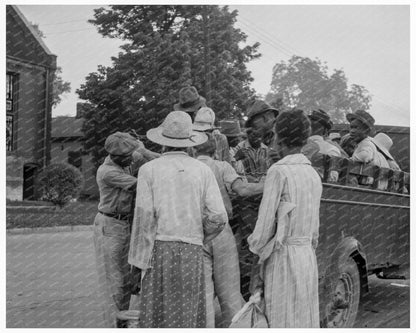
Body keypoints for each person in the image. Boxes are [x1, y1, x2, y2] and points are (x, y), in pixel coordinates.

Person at [128, 111, 228, 328]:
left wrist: (137, 264)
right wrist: (201, 234)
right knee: (187, 311)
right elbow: (219, 217)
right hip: (192, 250)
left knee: (158, 313)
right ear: (190, 143)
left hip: (157, 250)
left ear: (162, 142)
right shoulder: (202, 171)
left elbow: (143, 218)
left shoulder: (148, 170)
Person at [248, 109, 322, 328]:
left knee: (281, 318)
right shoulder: (312, 174)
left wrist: (256, 269)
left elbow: (263, 229)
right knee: (302, 318)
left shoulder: (278, 171)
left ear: (278, 137)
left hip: (283, 257)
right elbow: (315, 230)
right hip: (307, 257)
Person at [193, 135, 264, 328]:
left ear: (193, 150)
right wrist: (269, 185)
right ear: (215, 151)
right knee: (230, 292)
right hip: (221, 230)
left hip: (195, 232)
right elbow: (242, 190)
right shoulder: (222, 166)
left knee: (204, 293)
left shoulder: (189, 166)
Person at [93, 132, 140, 328]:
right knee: (114, 282)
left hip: (126, 223)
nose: (132, 158)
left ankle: (124, 322)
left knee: (127, 280)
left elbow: (142, 155)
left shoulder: (125, 162)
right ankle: (113, 326)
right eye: (128, 155)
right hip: (110, 225)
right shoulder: (108, 172)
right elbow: (141, 186)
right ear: (115, 156)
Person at [347, 110, 389, 188]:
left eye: (356, 128)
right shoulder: (362, 144)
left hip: (373, 186)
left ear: (366, 130)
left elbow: (365, 156)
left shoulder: (366, 144)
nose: (352, 131)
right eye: (351, 127)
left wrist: (350, 159)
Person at [301, 109, 345, 181]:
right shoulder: (333, 150)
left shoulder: (296, 147)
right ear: (325, 131)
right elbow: (333, 178)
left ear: (306, 129)